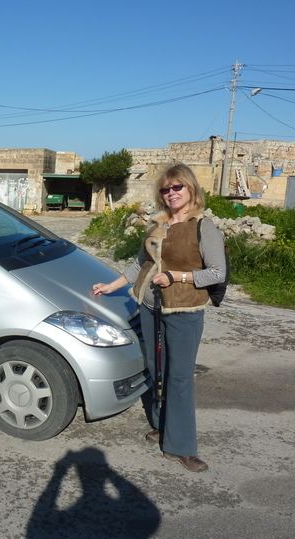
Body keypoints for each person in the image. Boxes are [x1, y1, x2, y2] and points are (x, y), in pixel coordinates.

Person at [91, 163, 226, 472]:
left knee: (179, 376)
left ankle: (181, 446)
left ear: (191, 189)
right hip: (150, 306)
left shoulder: (203, 227)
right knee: (156, 369)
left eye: (177, 187)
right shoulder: (157, 224)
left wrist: (177, 276)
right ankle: (161, 425)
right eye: (166, 189)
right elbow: (141, 263)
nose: (171, 193)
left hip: (184, 310)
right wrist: (110, 286)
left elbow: (217, 273)